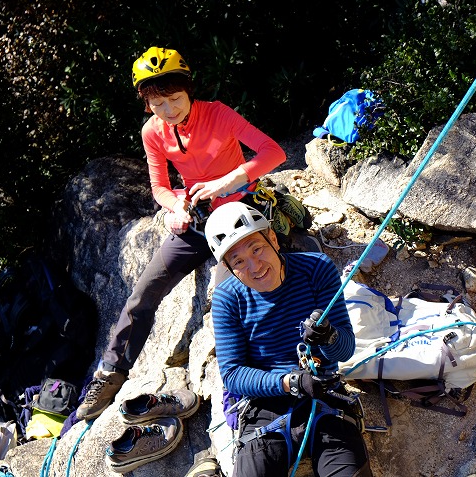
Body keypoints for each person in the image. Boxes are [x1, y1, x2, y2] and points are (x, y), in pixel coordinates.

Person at [76, 46, 288, 421]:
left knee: (231, 291)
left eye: (174, 98)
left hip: (238, 207)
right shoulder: (153, 132)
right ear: (147, 104)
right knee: (145, 289)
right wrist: (176, 207)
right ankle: (111, 371)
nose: (169, 109)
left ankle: (257, 371)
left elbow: (273, 153)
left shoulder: (218, 114)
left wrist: (228, 180)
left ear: (188, 90)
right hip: (197, 216)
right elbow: (159, 187)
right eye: (158, 103)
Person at [204, 202, 373, 477]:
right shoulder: (228, 299)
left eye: (256, 249)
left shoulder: (316, 270)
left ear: (273, 239)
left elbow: (345, 350)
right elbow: (233, 374)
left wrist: (329, 335)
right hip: (263, 404)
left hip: (323, 393)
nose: (255, 266)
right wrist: (288, 382)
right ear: (229, 267)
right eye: (238, 261)